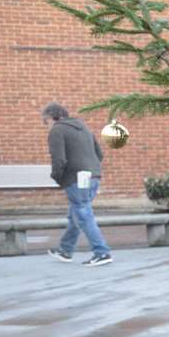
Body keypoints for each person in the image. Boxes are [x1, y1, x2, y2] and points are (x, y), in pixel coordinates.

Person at [42, 102, 112, 266]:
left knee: (83, 213)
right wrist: (90, 169)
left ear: (53, 117)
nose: (46, 125)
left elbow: (58, 160)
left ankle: (102, 252)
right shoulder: (84, 128)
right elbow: (99, 154)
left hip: (76, 177)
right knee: (77, 213)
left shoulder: (57, 130)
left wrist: (58, 178)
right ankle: (65, 250)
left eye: (45, 121)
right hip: (93, 176)